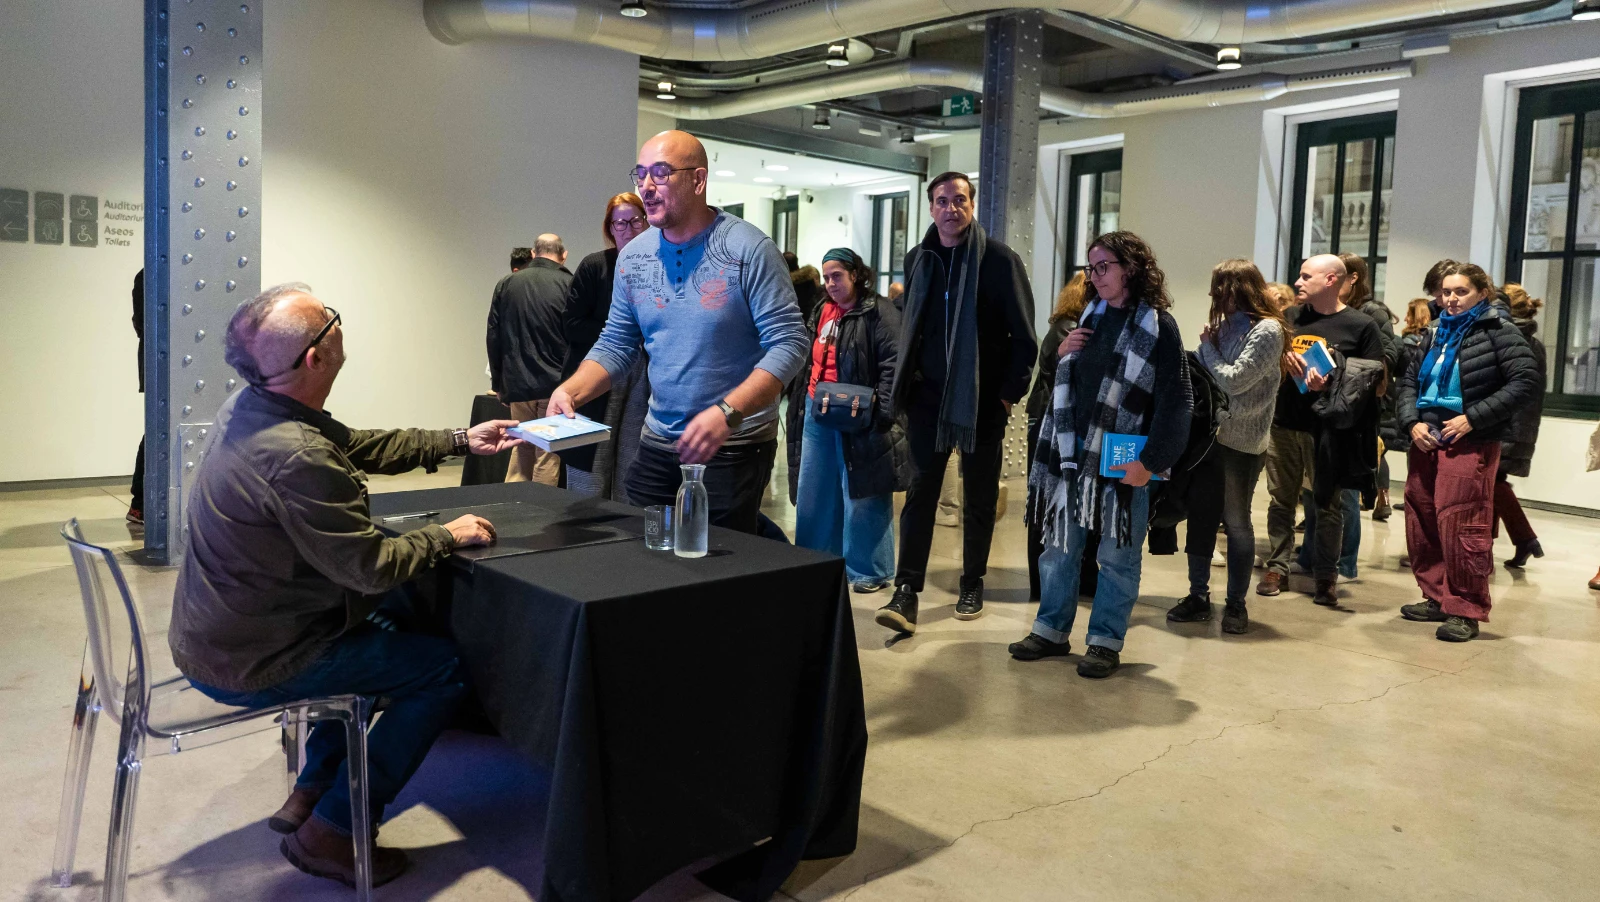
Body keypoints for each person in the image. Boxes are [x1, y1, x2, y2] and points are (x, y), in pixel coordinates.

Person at [170, 283, 522, 887]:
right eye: (329, 320)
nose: (338, 324)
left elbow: (353, 445)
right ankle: (333, 829)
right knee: (442, 670)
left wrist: (462, 439)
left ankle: (311, 789)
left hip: (227, 633)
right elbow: (371, 568)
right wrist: (446, 534)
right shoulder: (294, 455)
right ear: (315, 358)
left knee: (386, 628)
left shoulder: (258, 406)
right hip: (259, 656)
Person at [551, 130, 808, 533]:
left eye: (661, 173)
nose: (646, 187)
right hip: (658, 441)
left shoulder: (748, 250)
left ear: (698, 181)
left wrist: (727, 412)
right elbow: (617, 343)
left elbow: (790, 343)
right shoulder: (634, 257)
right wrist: (572, 389)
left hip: (733, 446)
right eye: (641, 175)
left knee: (714, 575)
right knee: (645, 556)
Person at [1011, 231, 1190, 677]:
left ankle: (1105, 641)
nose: (1095, 275)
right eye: (1091, 267)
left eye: (1104, 266)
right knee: (1058, 548)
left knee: (1117, 556)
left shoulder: (1158, 325)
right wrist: (1063, 356)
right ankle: (1051, 630)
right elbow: (1067, 388)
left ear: (1130, 268)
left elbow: (1176, 400)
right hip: (1072, 458)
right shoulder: (1089, 315)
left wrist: (1149, 462)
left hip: (1124, 461)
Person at [873, 171, 1038, 635]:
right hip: (928, 398)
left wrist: (1008, 394)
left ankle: (972, 581)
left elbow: (1025, 337)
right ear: (931, 209)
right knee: (920, 493)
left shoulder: (998, 260)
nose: (951, 208)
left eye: (959, 199)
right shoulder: (919, 259)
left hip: (982, 402)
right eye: (942, 201)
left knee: (980, 497)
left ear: (971, 204)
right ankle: (906, 591)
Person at [1396, 263, 1540, 641]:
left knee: (1462, 525)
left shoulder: (1498, 330)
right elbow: (1409, 381)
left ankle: (1465, 609)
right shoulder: (1434, 331)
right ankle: (1436, 595)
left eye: (1460, 291)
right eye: (1446, 292)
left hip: (1470, 440)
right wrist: (1411, 422)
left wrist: (1472, 419)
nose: (1451, 299)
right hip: (1425, 438)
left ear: (1482, 293)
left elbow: (1525, 381)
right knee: (1423, 518)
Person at [1165, 259, 1287, 635]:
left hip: (1241, 443)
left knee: (1236, 523)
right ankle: (1198, 596)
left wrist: (1206, 347)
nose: (1214, 295)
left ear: (1243, 289)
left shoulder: (1268, 330)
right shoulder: (1222, 328)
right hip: (1208, 439)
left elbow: (1234, 381)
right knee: (1201, 522)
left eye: (1221, 288)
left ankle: (1236, 604)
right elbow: (1203, 377)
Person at [1257, 254, 1385, 607]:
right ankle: (1278, 566)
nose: (1298, 282)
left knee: (1327, 504)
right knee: (1280, 501)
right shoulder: (1289, 319)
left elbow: (1375, 381)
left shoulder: (1361, 326)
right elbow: (1264, 368)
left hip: (1328, 430)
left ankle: (1326, 575)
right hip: (1283, 423)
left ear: (1331, 280)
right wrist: (1280, 362)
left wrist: (1331, 382)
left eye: (1305, 276)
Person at [786, 247, 905, 592]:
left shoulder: (879, 311)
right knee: (815, 490)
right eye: (826, 277)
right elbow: (808, 358)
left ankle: (870, 571)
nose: (831, 283)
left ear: (856, 274)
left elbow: (892, 364)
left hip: (861, 415)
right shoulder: (823, 309)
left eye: (837, 275)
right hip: (817, 409)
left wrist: (882, 413)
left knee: (864, 492)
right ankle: (815, 559)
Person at [560, 193, 652, 501]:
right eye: (620, 223)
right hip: (598, 374)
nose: (629, 229)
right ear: (610, 228)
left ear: (647, 221)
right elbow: (571, 324)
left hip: (643, 379)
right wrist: (618, 336)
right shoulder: (594, 266)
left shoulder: (659, 265)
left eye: (635, 221)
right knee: (591, 469)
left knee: (632, 459)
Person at [487, 232, 572, 485]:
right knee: (548, 452)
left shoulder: (506, 283)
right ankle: (541, 515)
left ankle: (512, 509)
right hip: (555, 385)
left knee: (520, 444)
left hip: (518, 383)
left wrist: (498, 384)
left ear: (534, 254)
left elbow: (494, 336)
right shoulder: (569, 284)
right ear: (563, 256)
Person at [1025, 272, 1089, 600]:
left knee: (1049, 499)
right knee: (1046, 500)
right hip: (1050, 423)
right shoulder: (1070, 328)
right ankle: (1043, 583)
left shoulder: (1062, 325)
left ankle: (1046, 583)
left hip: (1048, 420)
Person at [1495, 283, 1547, 569]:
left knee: (1491, 483)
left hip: (1509, 423)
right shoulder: (1531, 341)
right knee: (1493, 482)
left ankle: (1525, 538)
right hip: (1520, 423)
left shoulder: (1514, 337)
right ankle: (1517, 541)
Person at [129, 269, 145, 525]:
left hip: (159, 361)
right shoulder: (149, 274)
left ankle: (139, 504)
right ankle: (140, 504)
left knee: (155, 432)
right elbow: (144, 323)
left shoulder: (145, 275)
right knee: (156, 432)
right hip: (161, 362)